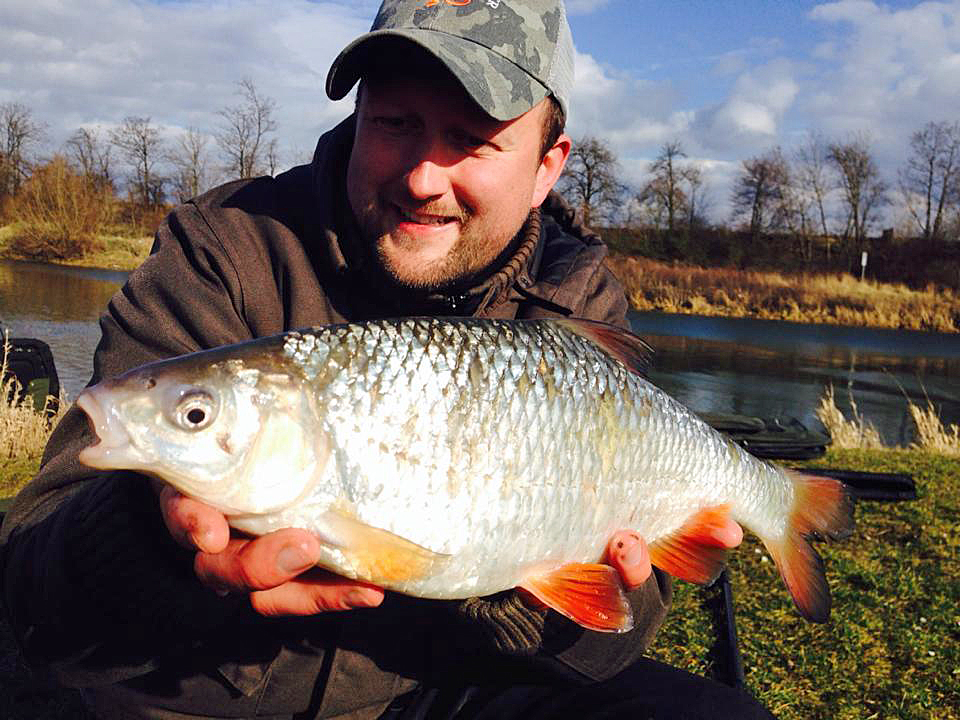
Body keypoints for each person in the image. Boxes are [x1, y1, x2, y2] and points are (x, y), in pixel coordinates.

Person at [0, 0, 772, 718]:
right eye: (396, 122)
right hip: (200, 695)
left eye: (473, 139)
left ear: (547, 166)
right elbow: (29, 575)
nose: (423, 178)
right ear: (358, 113)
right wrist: (152, 541)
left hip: (441, 681)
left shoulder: (575, 302)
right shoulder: (224, 250)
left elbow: (615, 633)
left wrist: (523, 591)